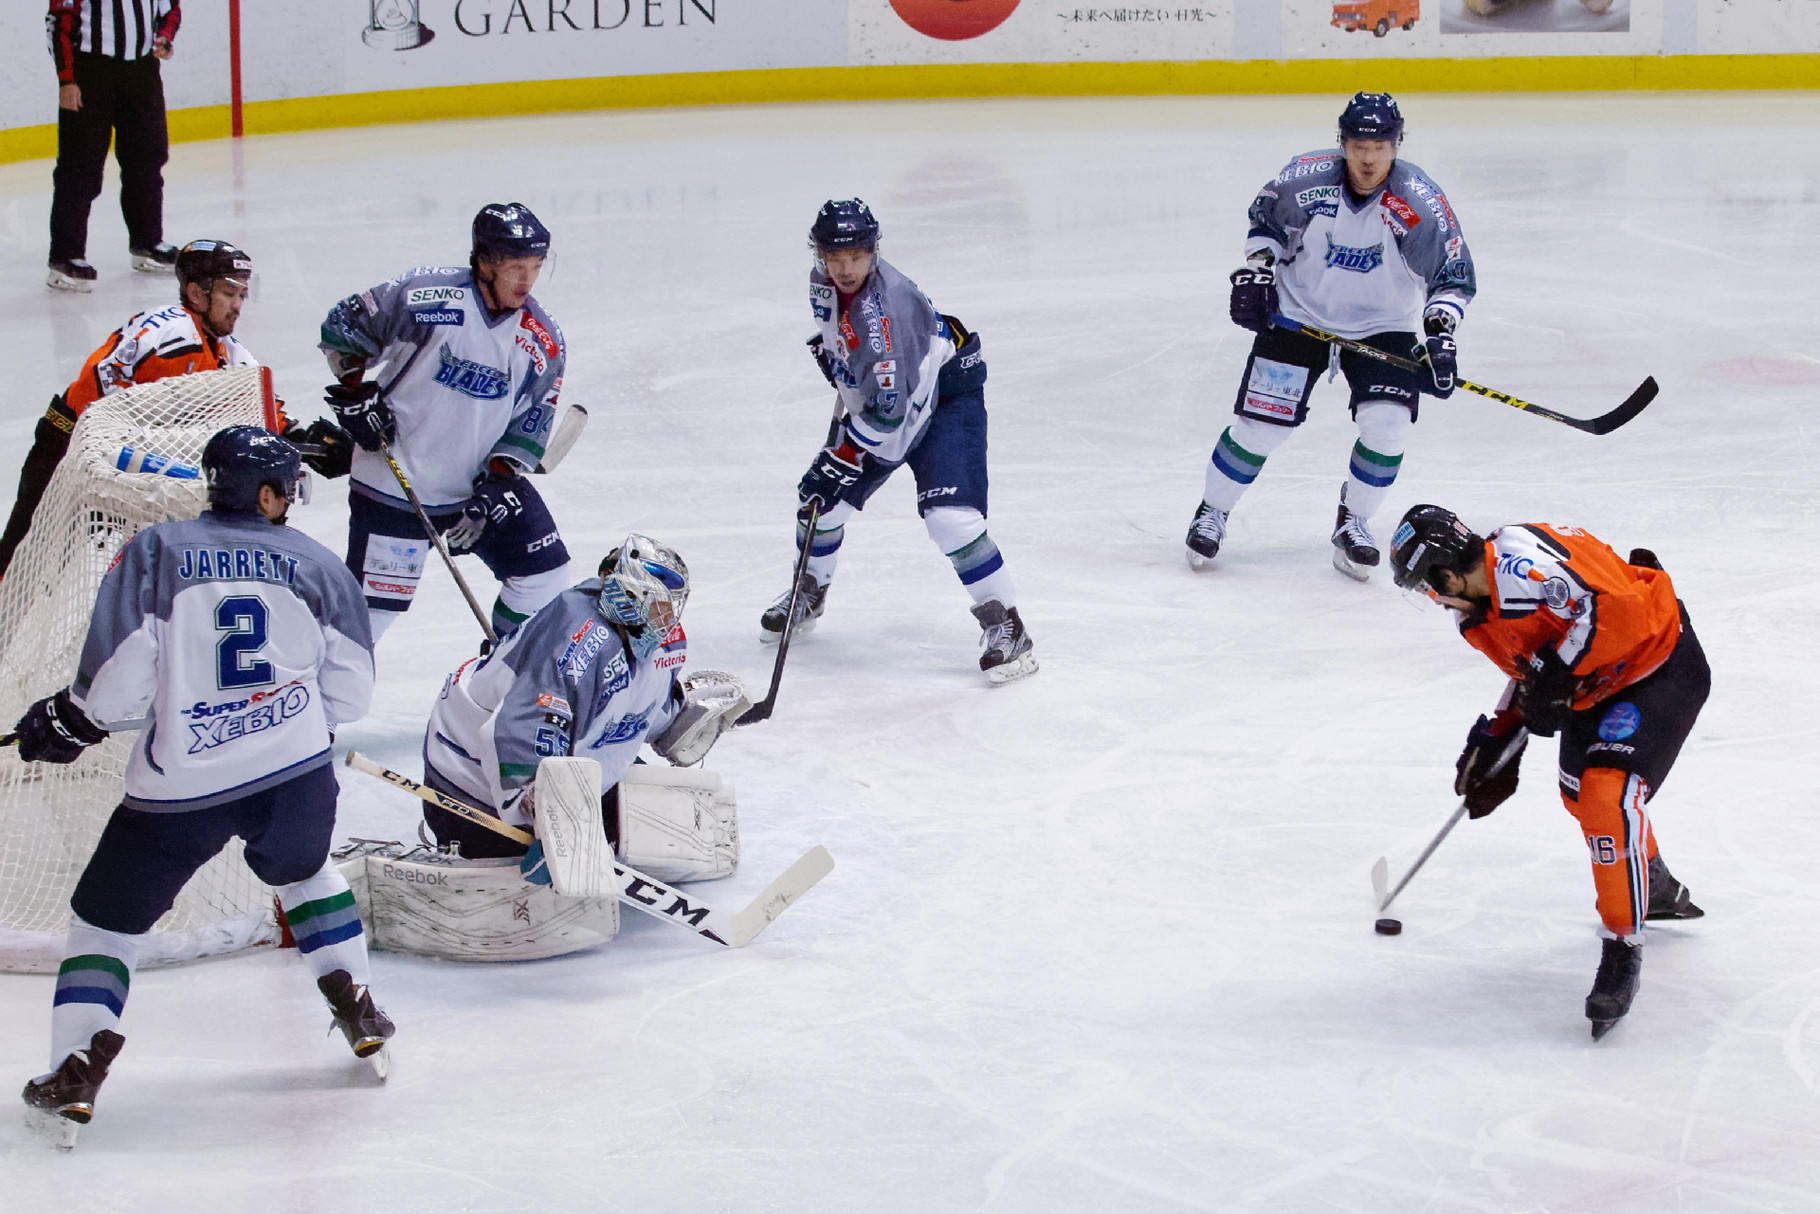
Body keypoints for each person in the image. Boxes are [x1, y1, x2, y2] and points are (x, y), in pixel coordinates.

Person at [10, 426, 389, 1140]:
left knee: (104, 922)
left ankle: (74, 1072)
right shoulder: (316, 563)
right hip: (294, 779)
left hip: (179, 789)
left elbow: (120, 678)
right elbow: (352, 694)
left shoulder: (157, 551)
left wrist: (78, 718)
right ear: (270, 494)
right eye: (289, 488)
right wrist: (285, 723)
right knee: (305, 871)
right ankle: (357, 1004)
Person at [1389, 504, 1709, 1040]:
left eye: (1426, 585)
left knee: (1609, 799)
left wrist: (1557, 674)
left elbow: (1623, 610)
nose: (1430, 597)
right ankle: (1647, 880)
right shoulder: (1478, 609)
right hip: (1598, 686)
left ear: (1446, 574)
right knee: (1581, 799)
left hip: (1657, 664)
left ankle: (1622, 945)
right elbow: (1532, 670)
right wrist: (1499, 738)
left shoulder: (1527, 573)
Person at [1186, 92, 1476, 580]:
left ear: (1397, 143)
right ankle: (1211, 511)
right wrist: (1258, 271)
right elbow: (1266, 226)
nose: (1368, 157)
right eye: (1358, 144)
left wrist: (1440, 338)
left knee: (1387, 428)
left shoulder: (1419, 203)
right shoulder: (1305, 180)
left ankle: (1354, 522)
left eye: (1380, 145)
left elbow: (1451, 274)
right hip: (1299, 317)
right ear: (1341, 142)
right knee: (1261, 429)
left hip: (1382, 327)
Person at [760, 199, 1036, 684]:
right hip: (897, 397)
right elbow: (868, 375)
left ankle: (1008, 626)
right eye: (834, 256)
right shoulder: (824, 284)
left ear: (873, 251)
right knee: (819, 507)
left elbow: (889, 417)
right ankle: (812, 590)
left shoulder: (882, 315)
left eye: (856, 256)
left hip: (945, 398)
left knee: (950, 520)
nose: (844, 268)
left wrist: (844, 454)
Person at [0, 240, 352, 580]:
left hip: (114, 461)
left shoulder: (223, 347)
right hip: (68, 450)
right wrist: (98, 464)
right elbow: (95, 390)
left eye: (242, 294)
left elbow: (253, 402)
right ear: (198, 294)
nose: (237, 305)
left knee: (70, 568)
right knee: (24, 562)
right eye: (229, 294)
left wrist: (303, 439)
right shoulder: (172, 332)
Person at [421, 533, 746, 878]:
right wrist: (545, 819)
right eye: (658, 605)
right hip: (469, 784)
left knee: (663, 835)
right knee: (568, 866)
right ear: (631, 596)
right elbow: (519, 731)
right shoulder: (576, 640)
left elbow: (634, 708)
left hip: (568, 762)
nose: (666, 619)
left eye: (671, 606)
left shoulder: (661, 642)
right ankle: (496, 839)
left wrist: (676, 722)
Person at [318, 202, 571, 643]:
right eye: (515, 266)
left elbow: (531, 421)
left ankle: (501, 679)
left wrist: (498, 481)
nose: (527, 280)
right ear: (486, 261)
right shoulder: (425, 297)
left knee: (545, 578)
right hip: (394, 485)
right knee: (364, 625)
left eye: (536, 266)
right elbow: (344, 327)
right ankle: (312, 711)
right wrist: (356, 396)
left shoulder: (543, 338)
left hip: (476, 492)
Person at [45, 0, 182, 290]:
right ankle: (65, 258)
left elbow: (170, 8)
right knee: (80, 167)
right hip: (91, 72)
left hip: (142, 72)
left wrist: (165, 36)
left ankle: (147, 244)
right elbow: (59, 23)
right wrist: (67, 80)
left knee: (147, 158)